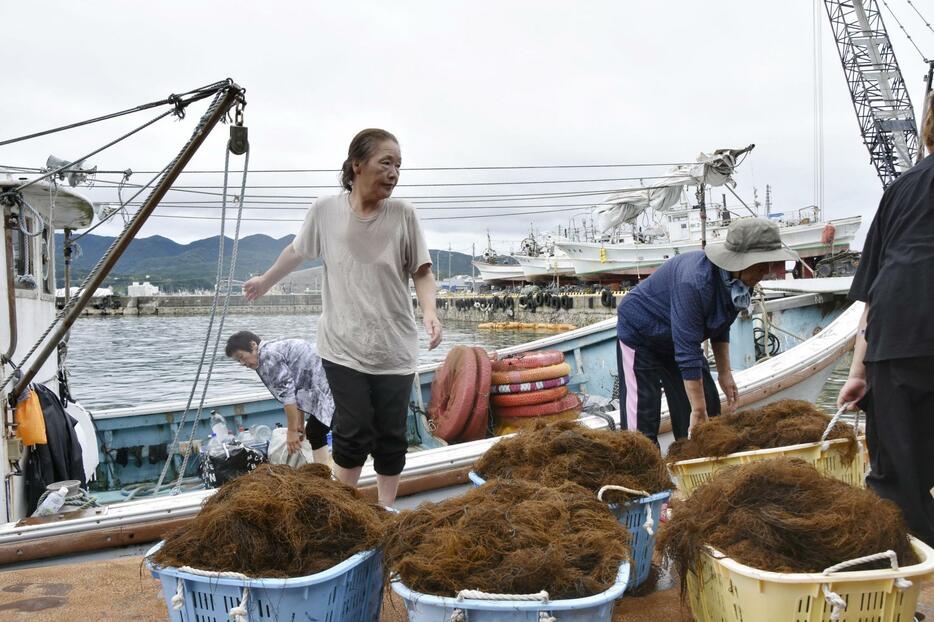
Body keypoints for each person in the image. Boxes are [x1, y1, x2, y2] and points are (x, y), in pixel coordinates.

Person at [243, 128, 442, 506]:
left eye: (399, 166)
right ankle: (344, 509)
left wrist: (430, 312)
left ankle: (385, 508)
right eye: (386, 163)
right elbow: (297, 251)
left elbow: (422, 272)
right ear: (357, 165)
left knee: (391, 436)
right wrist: (266, 281)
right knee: (353, 431)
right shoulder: (325, 210)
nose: (394, 173)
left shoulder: (404, 215)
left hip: (395, 348)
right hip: (342, 345)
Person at [837, 92, 934, 547]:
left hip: (893, 341)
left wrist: (858, 374)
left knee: (895, 479)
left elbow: (872, 298)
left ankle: (902, 582)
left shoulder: (900, 189)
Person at [616, 217, 799, 445]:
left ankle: (692, 464)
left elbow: (720, 325)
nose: (766, 271)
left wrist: (725, 373)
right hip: (641, 332)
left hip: (679, 338)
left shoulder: (741, 285)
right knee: (642, 421)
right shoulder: (694, 282)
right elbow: (687, 352)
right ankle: (643, 474)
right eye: (761, 266)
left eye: (768, 265)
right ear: (739, 262)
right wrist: (697, 409)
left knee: (709, 407)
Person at [225, 331, 333, 466]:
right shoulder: (271, 349)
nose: (242, 363)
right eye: (238, 360)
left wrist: (292, 432)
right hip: (324, 384)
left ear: (253, 345)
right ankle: (324, 471)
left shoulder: (268, 357)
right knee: (315, 431)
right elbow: (296, 389)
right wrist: (299, 422)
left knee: (325, 431)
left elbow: (288, 397)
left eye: (241, 357)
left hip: (329, 386)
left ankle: (325, 473)